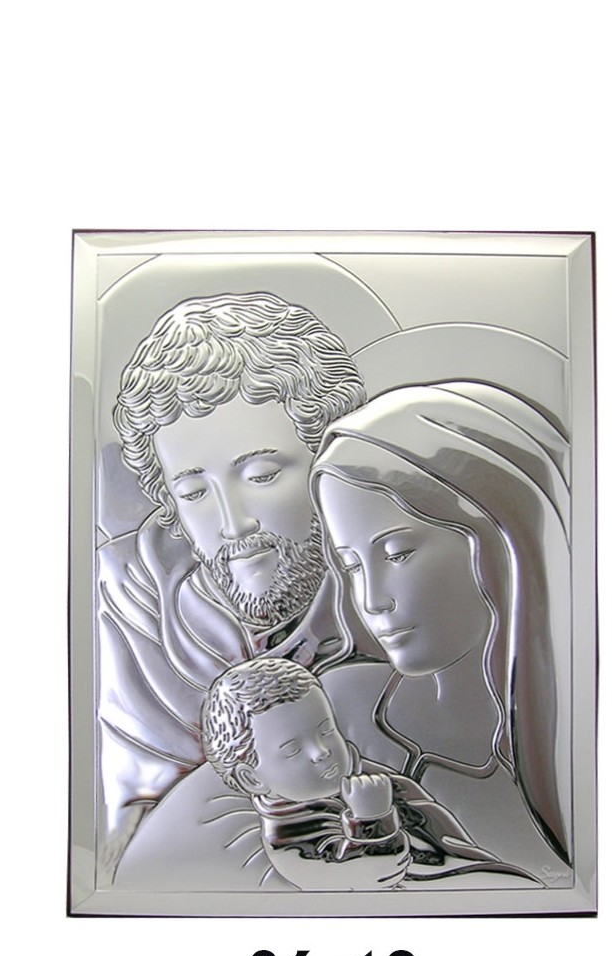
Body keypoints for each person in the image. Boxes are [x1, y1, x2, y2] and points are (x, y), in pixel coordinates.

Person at [98, 292, 367, 877]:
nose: (232, 523)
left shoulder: (399, 588)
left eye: (262, 475)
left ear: (331, 460)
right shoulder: (126, 612)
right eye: (194, 491)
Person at [310, 381, 574, 883]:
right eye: (352, 566)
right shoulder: (329, 716)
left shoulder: (580, 747)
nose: (373, 600)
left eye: (397, 554)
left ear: (502, 540)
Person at [200, 658, 542, 891]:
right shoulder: (290, 843)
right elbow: (374, 875)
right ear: (252, 779)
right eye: (292, 750)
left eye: (326, 730)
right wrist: (371, 818)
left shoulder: (352, 775)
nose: (321, 751)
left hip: (474, 872)